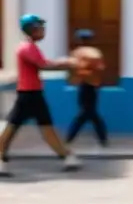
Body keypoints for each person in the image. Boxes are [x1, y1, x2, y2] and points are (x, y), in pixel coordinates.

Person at [0, 15, 81, 176]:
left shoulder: (30, 47)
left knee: (20, 127)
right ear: (32, 29)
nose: (43, 32)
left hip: (31, 93)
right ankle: (67, 156)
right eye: (41, 28)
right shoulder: (27, 48)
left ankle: (67, 156)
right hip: (30, 94)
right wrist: (67, 63)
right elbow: (43, 65)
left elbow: (42, 63)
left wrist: (64, 63)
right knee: (35, 127)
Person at [65, 29, 109, 148]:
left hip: (85, 85)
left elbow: (73, 68)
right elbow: (101, 68)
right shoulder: (95, 53)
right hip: (92, 86)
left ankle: (69, 138)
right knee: (90, 114)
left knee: (86, 114)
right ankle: (103, 139)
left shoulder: (77, 53)